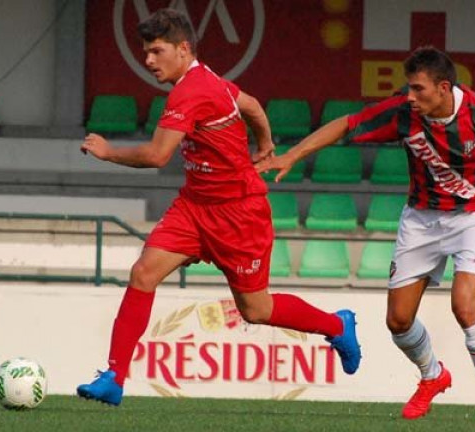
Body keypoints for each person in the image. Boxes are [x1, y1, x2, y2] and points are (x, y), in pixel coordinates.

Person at [262, 46, 475, 424]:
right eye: (408, 89)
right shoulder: (404, 112)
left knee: (465, 306)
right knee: (398, 320)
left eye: (417, 89)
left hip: (473, 216)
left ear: (443, 87)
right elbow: (346, 123)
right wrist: (292, 156)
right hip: (421, 218)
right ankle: (432, 376)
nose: (409, 97)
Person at [76, 8, 360, 406]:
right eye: (146, 52)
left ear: (183, 48)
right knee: (143, 273)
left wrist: (108, 153)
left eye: (156, 51)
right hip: (194, 208)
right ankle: (114, 377)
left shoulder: (191, 91)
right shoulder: (212, 80)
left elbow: (158, 156)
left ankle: (338, 325)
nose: (148, 60)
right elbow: (254, 105)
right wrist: (264, 142)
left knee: (256, 310)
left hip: (238, 215)